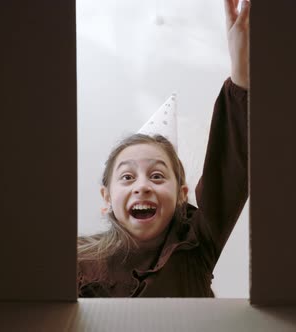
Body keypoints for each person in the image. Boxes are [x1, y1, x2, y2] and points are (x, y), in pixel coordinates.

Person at [77, 0, 250, 297]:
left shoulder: (195, 245)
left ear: (182, 196)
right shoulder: (77, 260)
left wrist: (242, 71)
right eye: (128, 177)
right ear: (106, 198)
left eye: (157, 176)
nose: (142, 186)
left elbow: (228, 172)